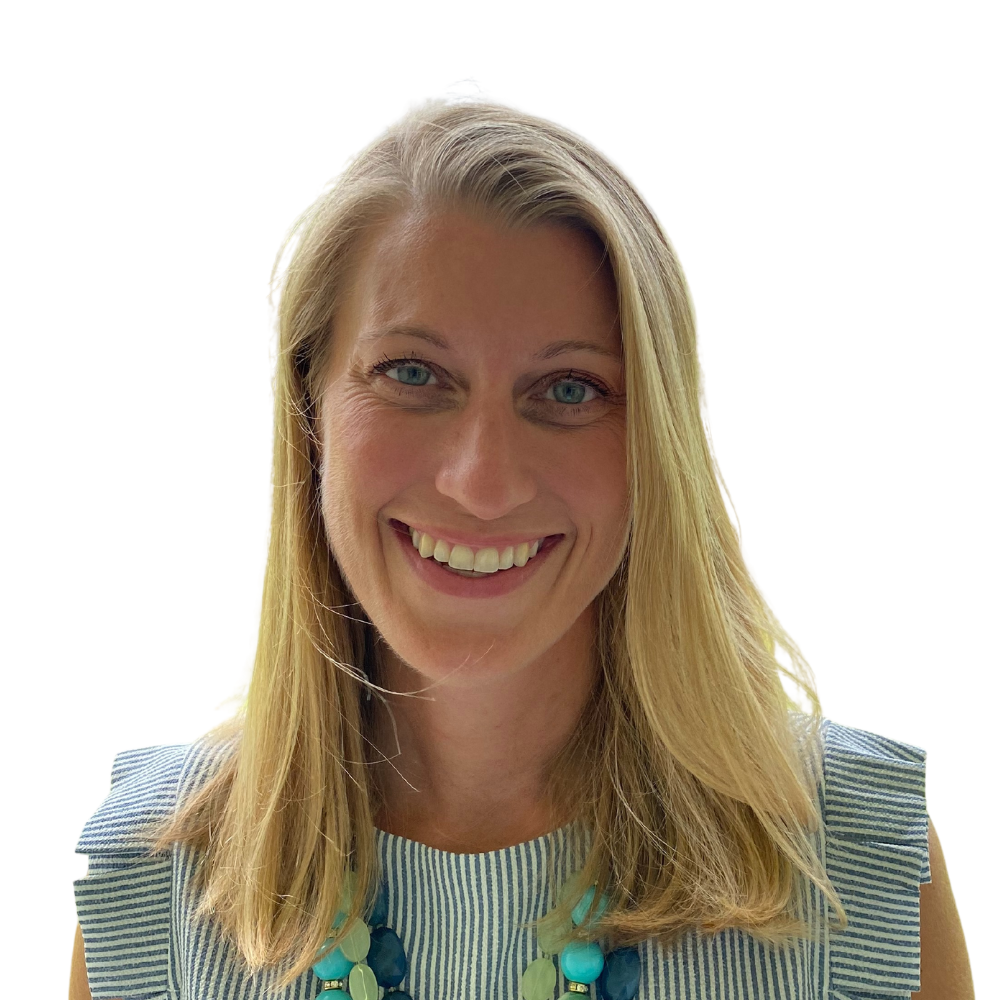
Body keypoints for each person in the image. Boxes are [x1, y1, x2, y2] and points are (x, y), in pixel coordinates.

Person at [69, 79, 973, 999]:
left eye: (570, 389)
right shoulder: (158, 869)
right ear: (308, 410)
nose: (483, 482)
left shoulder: (850, 851)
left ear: (655, 444)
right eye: (413, 372)